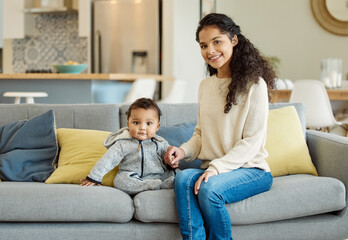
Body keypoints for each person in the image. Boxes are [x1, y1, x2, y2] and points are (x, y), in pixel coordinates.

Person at [164, 13, 277, 240]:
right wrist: (183, 151)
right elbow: (201, 133)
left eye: (217, 42)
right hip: (216, 169)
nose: (210, 51)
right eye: (204, 45)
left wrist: (215, 169)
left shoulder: (255, 85)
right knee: (183, 179)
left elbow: (252, 141)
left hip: (251, 170)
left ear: (233, 40)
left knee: (210, 189)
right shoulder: (206, 86)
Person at [81, 98, 175, 196]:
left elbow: (170, 158)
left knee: (176, 175)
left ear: (157, 127)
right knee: (119, 181)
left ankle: (161, 183)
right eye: (136, 123)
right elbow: (108, 160)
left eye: (149, 123)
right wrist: (94, 176)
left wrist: (172, 162)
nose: (142, 127)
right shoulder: (122, 143)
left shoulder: (160, 143)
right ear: (128, 124)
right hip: (132, 176)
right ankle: (154, 185)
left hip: (157, 176)